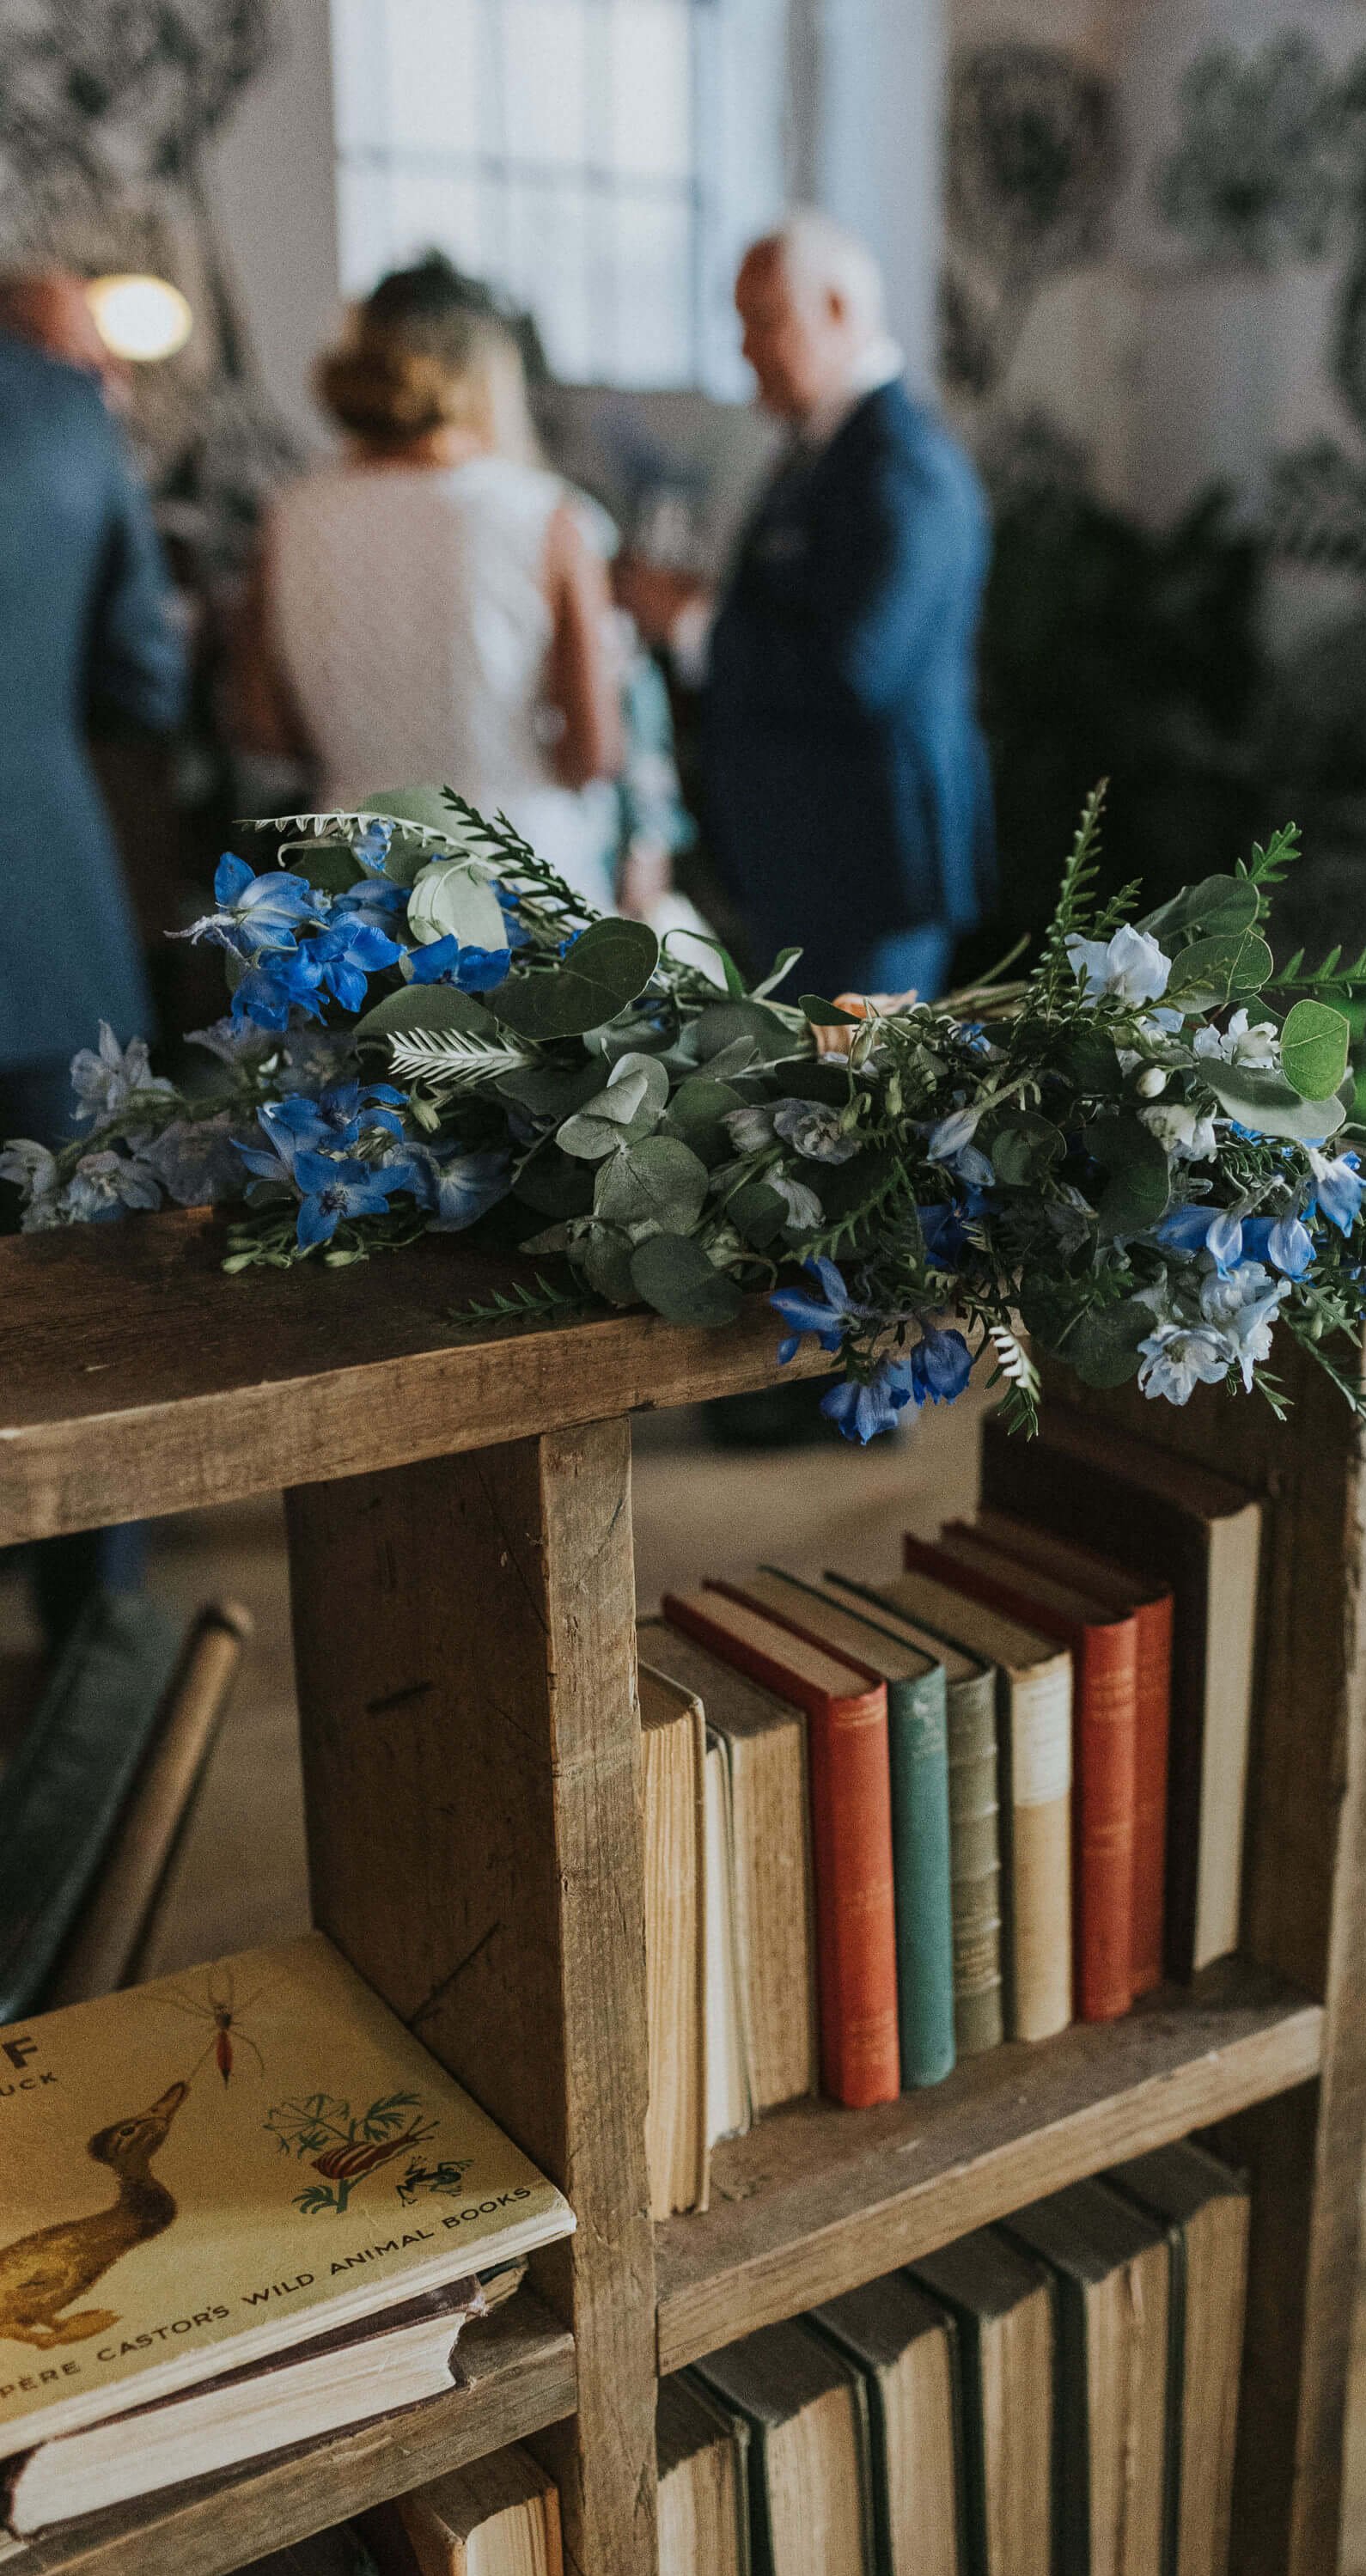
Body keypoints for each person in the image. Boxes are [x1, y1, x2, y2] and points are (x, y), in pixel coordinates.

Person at [233, 259, 698, 935]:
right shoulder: (547, 517)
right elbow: (593, 751)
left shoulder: (289, 518)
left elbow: (262, 727)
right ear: (486, 374)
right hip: (512, 877)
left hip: (346, 884)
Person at [617, 212, 994, 1000]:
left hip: (865, 878)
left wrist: (692, 623)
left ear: (837, 310)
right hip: (808, 872)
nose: (745, 348)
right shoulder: (821, 450)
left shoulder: (901, 464)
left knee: (846, 1112)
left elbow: (857, 673)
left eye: (762, 320)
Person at [0, 266, 186, 1638]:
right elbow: (141, 676)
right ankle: (94, 1657)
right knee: (81, 1300)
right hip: (43, 915)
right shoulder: (71, 423)